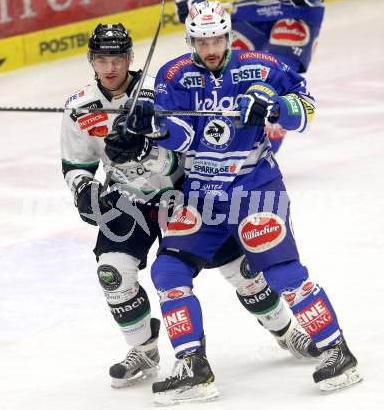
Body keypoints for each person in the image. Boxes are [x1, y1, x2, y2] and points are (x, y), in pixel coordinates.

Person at [60, 22, 319, 390]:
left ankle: (284, 329)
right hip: (126, 195)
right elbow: (77, 164)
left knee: (241, 270)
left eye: (117, 59)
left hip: (181, 190)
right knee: (113, 273)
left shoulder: (159, 88)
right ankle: (143, 349)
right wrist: (84, 189)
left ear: (130, 58)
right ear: (91, 61)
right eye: (102, 60)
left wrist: (146, 148)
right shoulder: (79, 107)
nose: (111, 68)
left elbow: (189, 143)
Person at [127, 0, 362, 405]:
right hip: (202, 198)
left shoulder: (263, 65)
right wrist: (155, 127)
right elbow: (182, 135)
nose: (211, 48)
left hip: (256, 189)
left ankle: (337, 350)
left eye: (217, 38)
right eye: (202, 42)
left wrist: (275, 108)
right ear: (191, 39)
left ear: (228, 33)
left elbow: (305, 110)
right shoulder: (175, 75)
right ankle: (192, 366)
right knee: (168, 269)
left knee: (283, 272)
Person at [175, 0, 325, 152]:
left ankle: (260, 157)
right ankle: (222, 146)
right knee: (229, 72)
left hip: (295, 11)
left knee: (278, 81)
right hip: (249, 11)